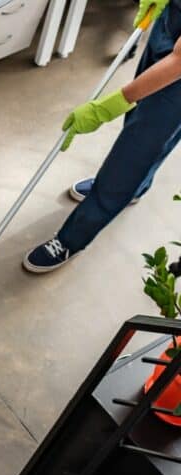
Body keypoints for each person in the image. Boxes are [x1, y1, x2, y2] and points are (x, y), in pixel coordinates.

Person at [24, 0, 181, 272]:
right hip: (171, 23)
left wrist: (109, 106)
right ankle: (137, 186)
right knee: (144, 127)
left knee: (134, 152)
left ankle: (72, 239)